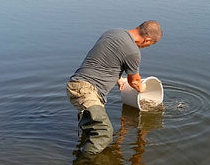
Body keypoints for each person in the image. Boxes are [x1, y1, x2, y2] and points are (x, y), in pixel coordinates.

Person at [67, 20, 162, 156]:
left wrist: (119, 78)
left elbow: (103, 60)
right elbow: (135, 82)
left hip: (77, 84)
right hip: (87, 91)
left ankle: (87, 153)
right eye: (149, 45)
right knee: (104, 132)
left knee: (93, 130)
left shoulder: (113, 33)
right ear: (147, 39)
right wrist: (143, 88)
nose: (145, 47)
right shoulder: (133, 52)